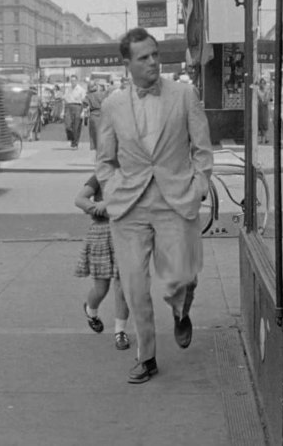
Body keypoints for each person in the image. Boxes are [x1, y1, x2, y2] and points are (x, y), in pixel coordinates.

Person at [96, 27, 213, 384]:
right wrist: (112, 188)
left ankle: (181, 310)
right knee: (134, 286)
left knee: (181, 276)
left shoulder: (184, 94)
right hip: (129, 206)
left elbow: (202, 149)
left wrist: (199, 186)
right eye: (143, 57)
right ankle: (146, 357)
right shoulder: (112, 104)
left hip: (175, 200)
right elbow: (104, 159)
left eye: (155, 54)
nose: (152, 62)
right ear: (127, 63)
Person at [74, 174, 131, 351]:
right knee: (101, 288)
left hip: (124, 233)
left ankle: (120, 331)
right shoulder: (100, 176)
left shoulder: (132, 174)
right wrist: (95, 208)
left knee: (123, 288)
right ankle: (91, 310)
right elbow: (79, 199)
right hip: (101, 234)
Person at [63, 75, 86, 149]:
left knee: (76, 126)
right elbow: (65, 100)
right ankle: (70, 138)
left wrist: (83, 112)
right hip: (69, 107)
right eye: (71, 80)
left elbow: (84, 102)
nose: (72, 82)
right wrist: (63, 111)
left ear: (77, 81)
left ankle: (75, 143)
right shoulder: (68, 89)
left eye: (74, 80)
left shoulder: (81, 90)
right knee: (68, 125)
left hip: (78, 107)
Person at [83, 81, 107, 151]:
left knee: (95, 135)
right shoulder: (102, 94)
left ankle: (98, 150)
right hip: (103, 115)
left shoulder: (88, 96)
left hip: (93, 116)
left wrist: (85, 118)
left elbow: (85, 106)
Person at [256, 76, 271, 144]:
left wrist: (264, 99)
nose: (262, 84)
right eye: (261, 83)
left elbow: (266, 100)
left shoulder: (267, 91)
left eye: (263, 83)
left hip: (264, 108)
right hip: (260, 108)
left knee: (265, 123)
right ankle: (262, 139)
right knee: (260, 123)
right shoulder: (258, 91)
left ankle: (266, 138)